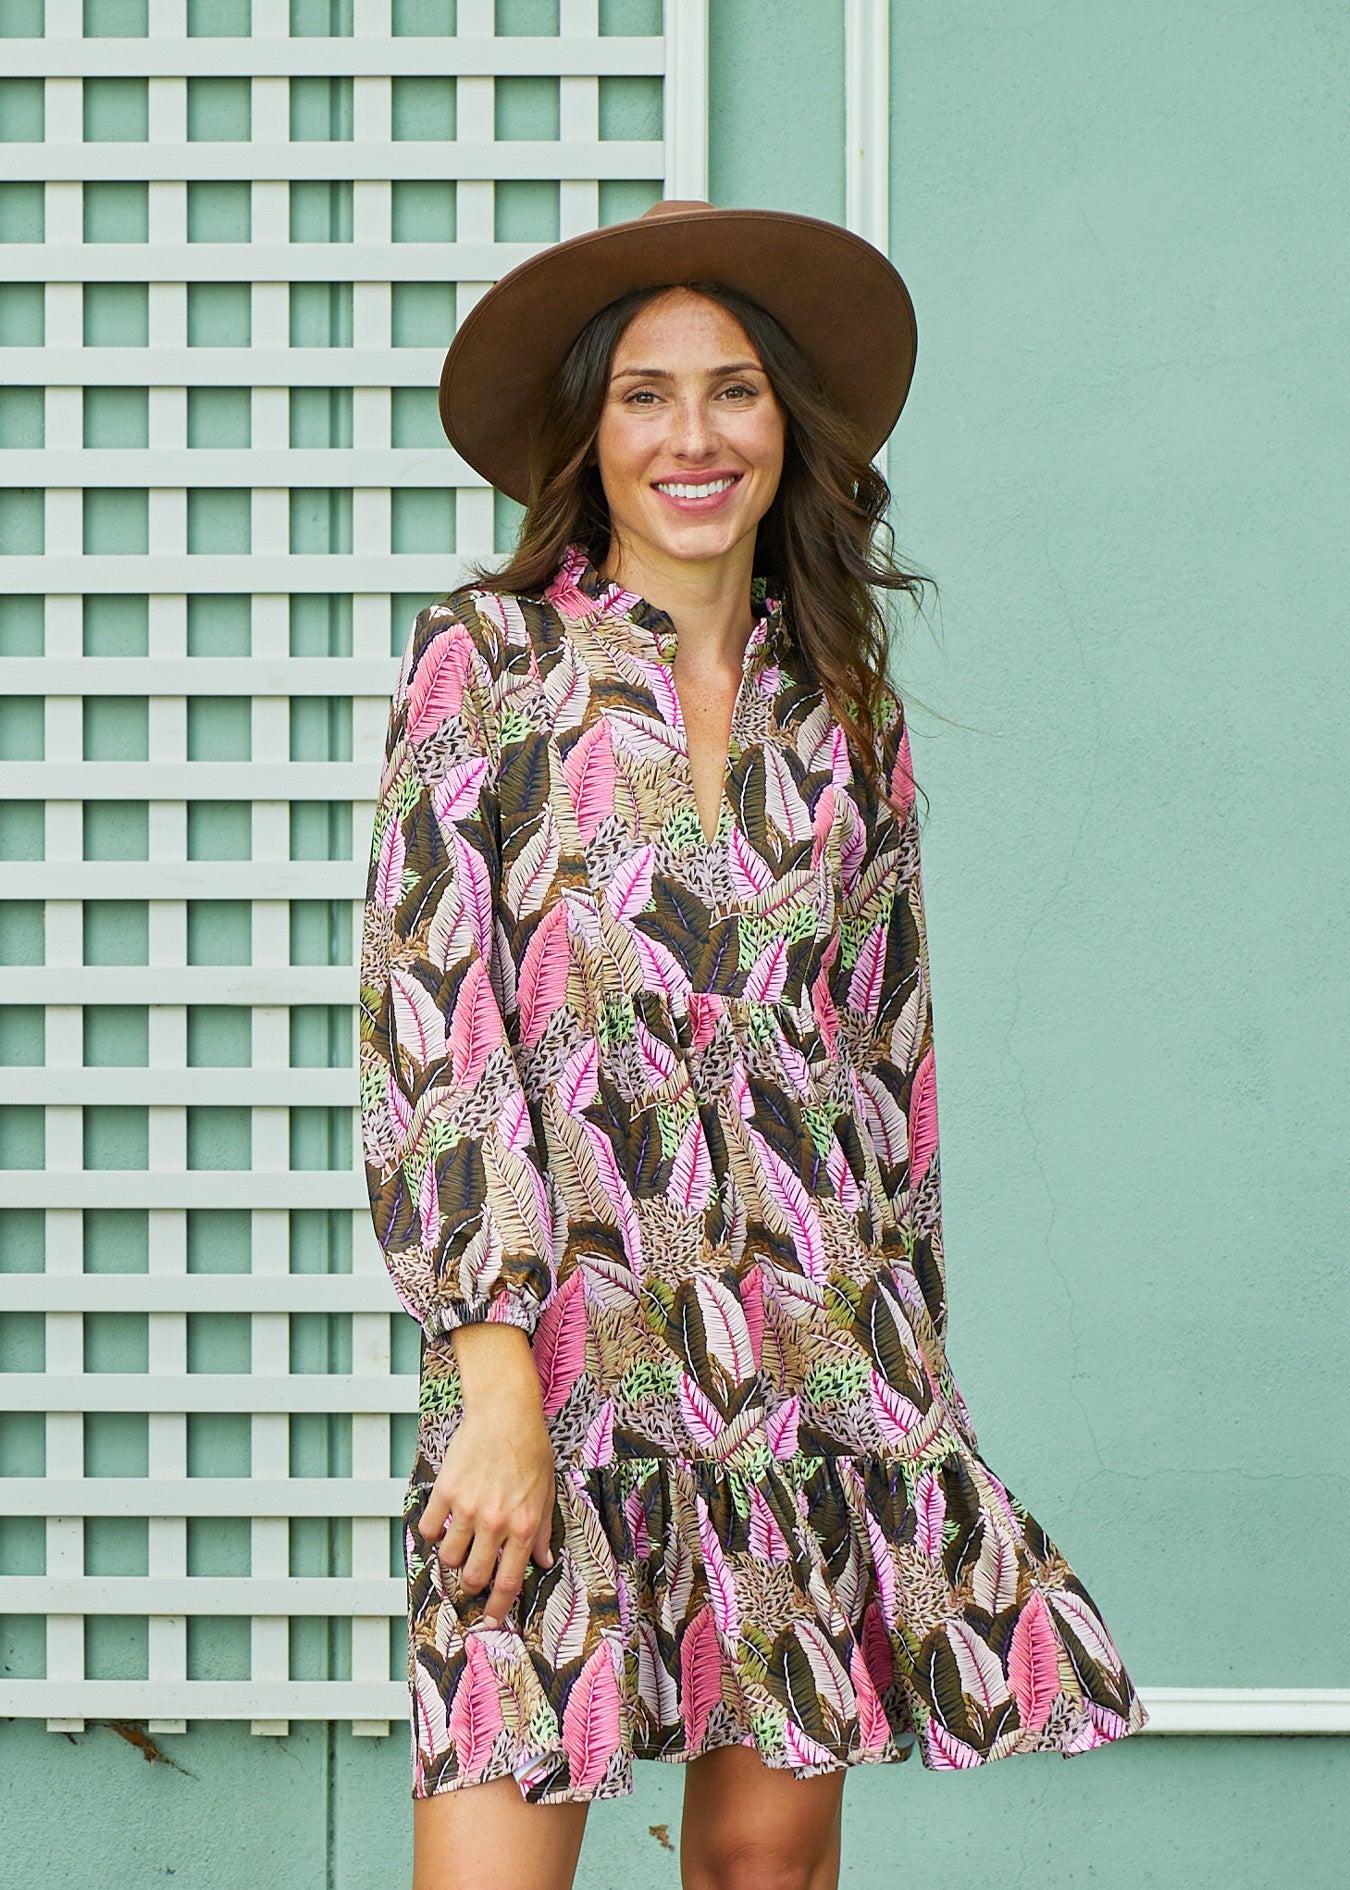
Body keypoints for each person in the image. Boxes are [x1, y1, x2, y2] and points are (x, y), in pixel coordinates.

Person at [359, 201, 1148, 1890]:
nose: (691, 436)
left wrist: (903, 1366)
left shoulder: (841, 707)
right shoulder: (486, 665)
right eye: (643, 394)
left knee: (762, 1873)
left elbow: (889, 1066)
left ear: (789, 426)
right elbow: (438, 1032)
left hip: (798, 1359)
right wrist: (485, 1358)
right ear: (588, 430)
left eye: (731, 391)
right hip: (555, 1366)